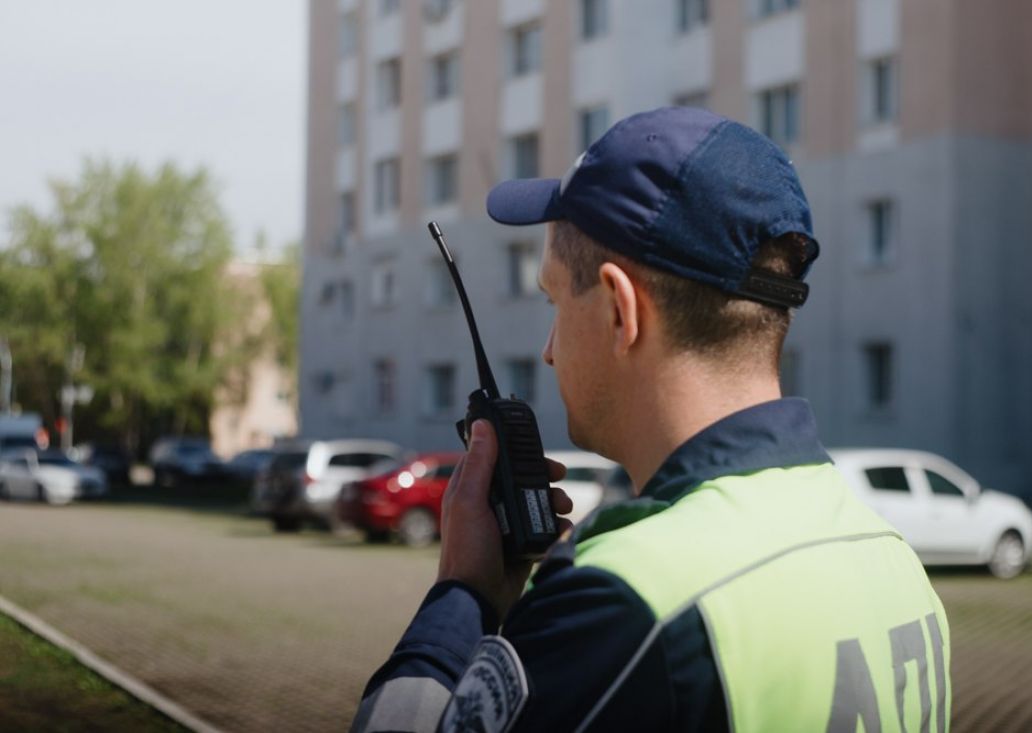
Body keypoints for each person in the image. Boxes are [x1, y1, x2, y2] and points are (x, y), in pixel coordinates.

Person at [350, 107, 951, 732]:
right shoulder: (889, 557)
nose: (549, 349)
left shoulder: (622, 605)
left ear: (619, 310)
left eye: (555, 300)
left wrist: (461, 597)